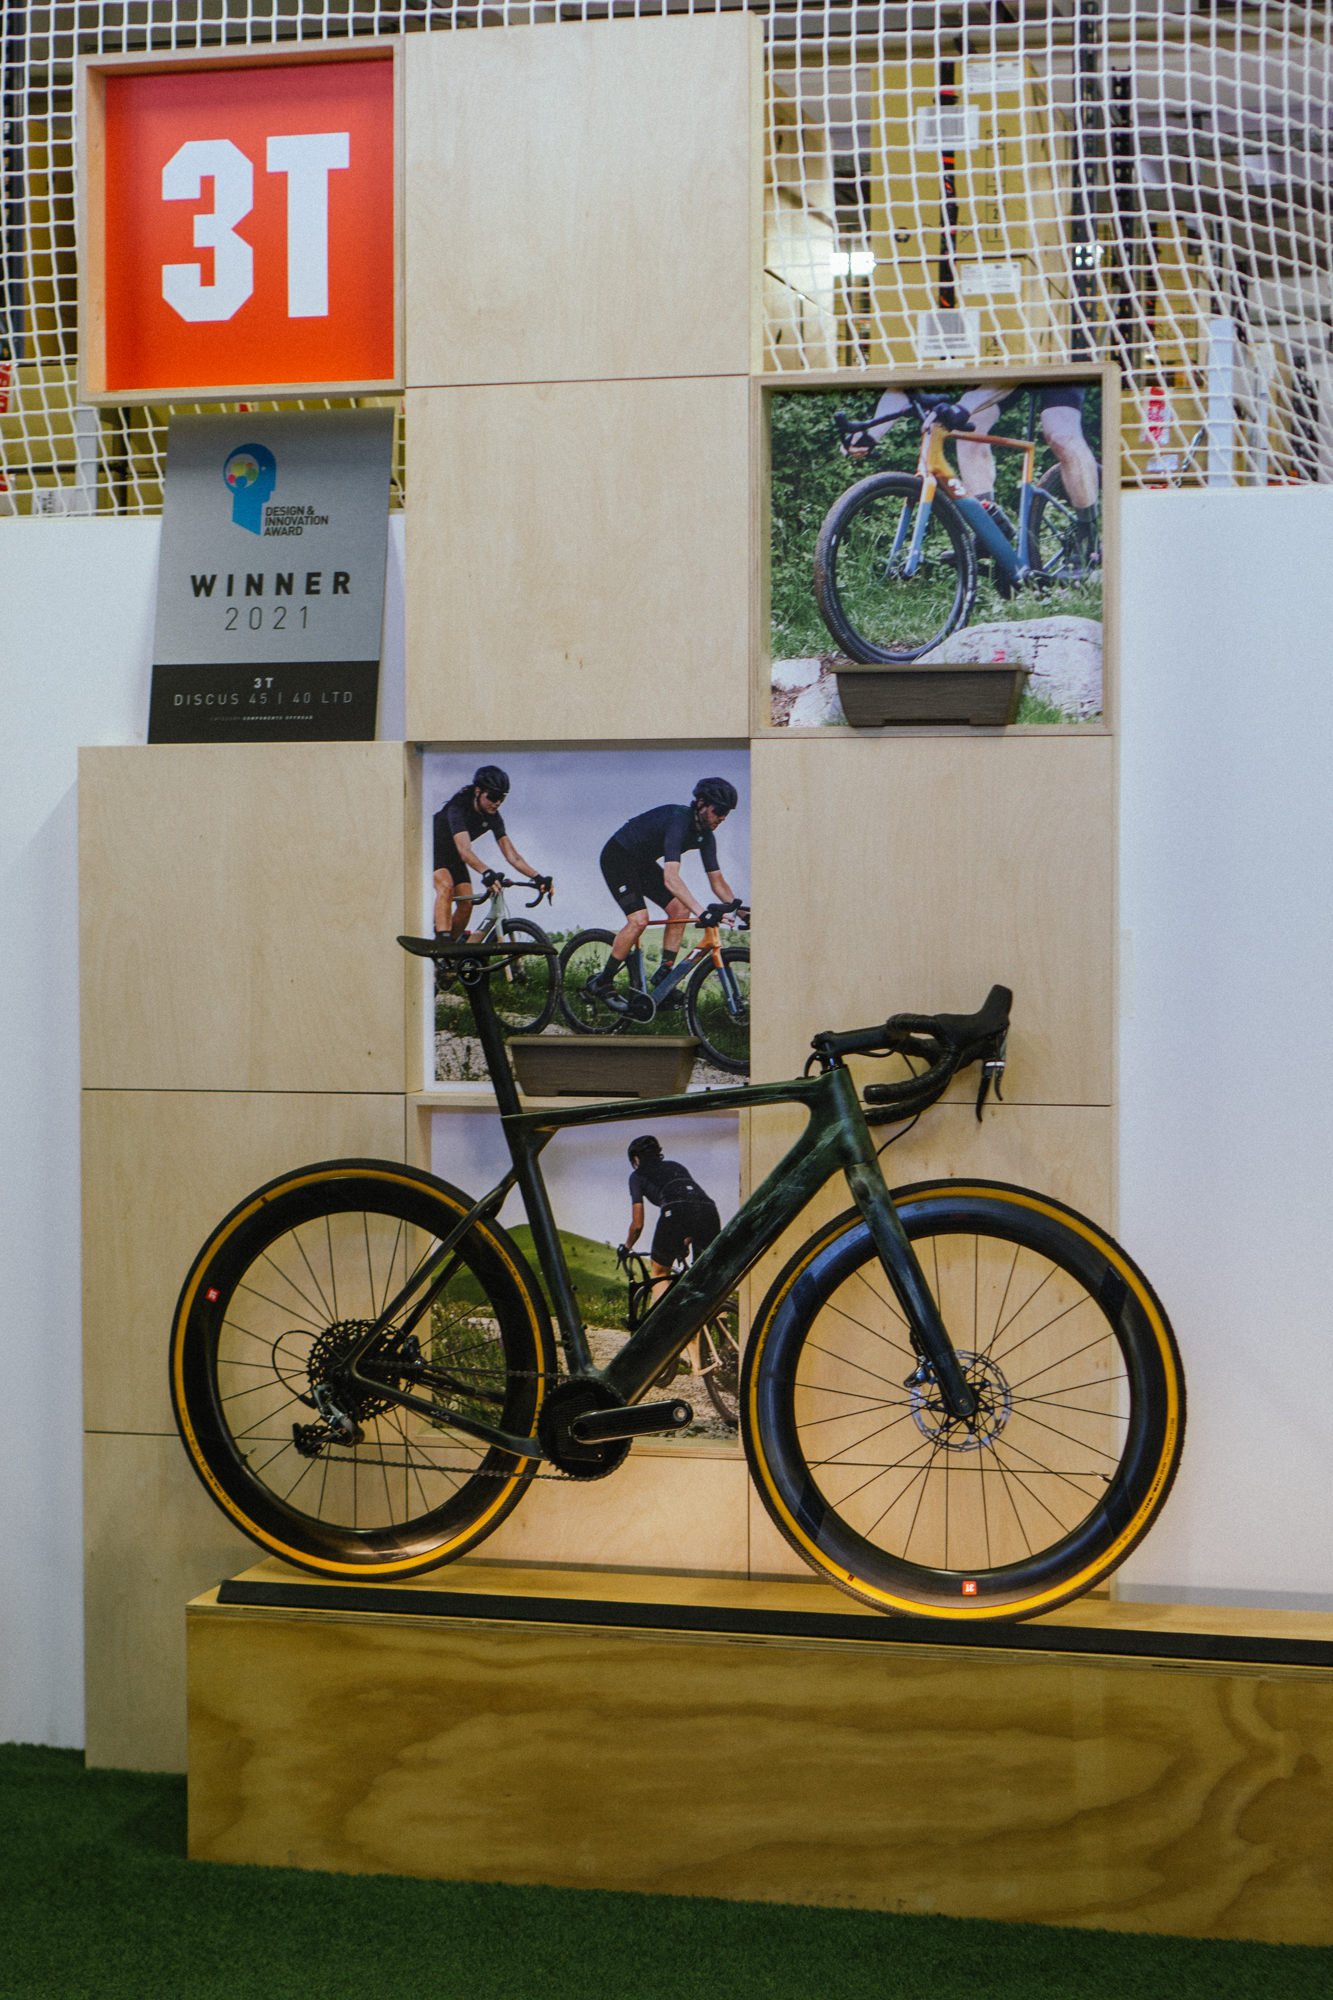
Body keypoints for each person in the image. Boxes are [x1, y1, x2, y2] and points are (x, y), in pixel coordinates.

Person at [853, 382, 1100, 558]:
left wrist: (964, 407)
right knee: (970, 431)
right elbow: (904, 384)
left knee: (1061, 433)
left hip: (1053, 352)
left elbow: (1016, 367)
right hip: (997, 367)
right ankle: (990, 528)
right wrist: (870, 434)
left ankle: (1088, 535)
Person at [588, 777, 741, 1005]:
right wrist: (701, 911)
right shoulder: (678, 821)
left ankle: (664, 977)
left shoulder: (706, 836)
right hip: (618, 858)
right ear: (701, 804)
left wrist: (743, 911)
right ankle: (603, 981)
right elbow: (671, 878)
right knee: (639, 920)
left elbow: (717, 882)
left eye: (727, 812)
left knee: (680, 909)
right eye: (719, 810)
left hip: (642, 863)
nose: (723, 817)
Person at [620, 1135, 722, 1371]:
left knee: (659, 1273)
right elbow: (692, 1200)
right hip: (708, 1210)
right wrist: (685, 1237)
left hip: (675, 1212)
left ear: (636, 1159)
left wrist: (626, 1247)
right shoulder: (676, 1166)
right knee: (709, 1278)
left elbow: (637, 1224)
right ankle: (725, 1342)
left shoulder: (637, 1176)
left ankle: (681, 1339)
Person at [432, 765, 549, 941]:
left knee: (467, 904)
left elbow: (512, 856)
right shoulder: (458, 808)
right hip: (432, 848)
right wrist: (486, 872)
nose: (497, 802)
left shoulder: (493, 816)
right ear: (478, 791)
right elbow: (465, 851)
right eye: (493, 796)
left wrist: (537, 877)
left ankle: (449, 950)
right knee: (446, 887)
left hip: (454, 854)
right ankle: (441, 942)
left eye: (502, 798)